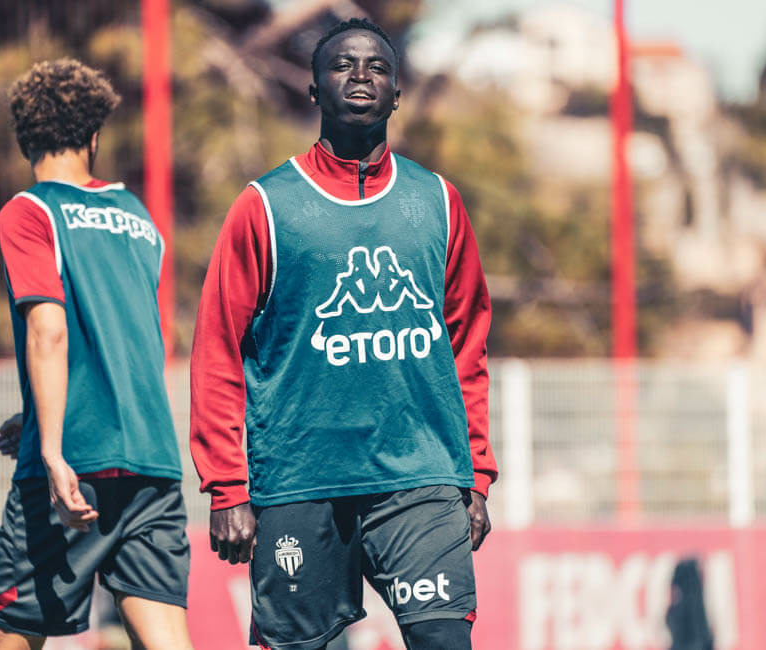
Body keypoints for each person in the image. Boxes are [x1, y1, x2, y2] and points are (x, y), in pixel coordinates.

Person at [189, 18, 497, 650]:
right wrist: (227, 487)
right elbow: (217, 349)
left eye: (378, 67)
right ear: (313, 89)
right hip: (301, 481)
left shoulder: (437, 201)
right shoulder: (265, 205)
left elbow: (468, 346)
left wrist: (475, 473)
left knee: (445, 640)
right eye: (342, 65)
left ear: (397, 95)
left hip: (420, 478)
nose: (361, 75)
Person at [0, 58, 193, 650]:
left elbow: (50, 331)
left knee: (7, 632)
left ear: (24, 137)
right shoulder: (138, 218)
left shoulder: (29, 211)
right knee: (165, 635)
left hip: (74, 459)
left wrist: (50, 448)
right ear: (94, 136)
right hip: (152, 458)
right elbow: (121, 340)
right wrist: (37, 414)